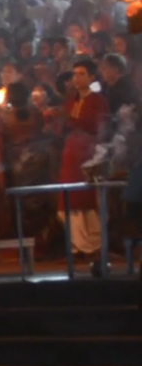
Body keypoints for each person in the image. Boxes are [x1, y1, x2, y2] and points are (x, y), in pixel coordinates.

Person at [61, 57, 110, 258]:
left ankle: (94, 245)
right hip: (71, 152)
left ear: (92, 77)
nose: (76, 78)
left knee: (87, 199)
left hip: (88, 153)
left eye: (81, 74)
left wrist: (69, 120)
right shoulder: (71, 100)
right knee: (68, 199)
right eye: (74, 74)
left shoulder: (97, 100)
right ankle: (77, 245)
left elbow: (97, 128)